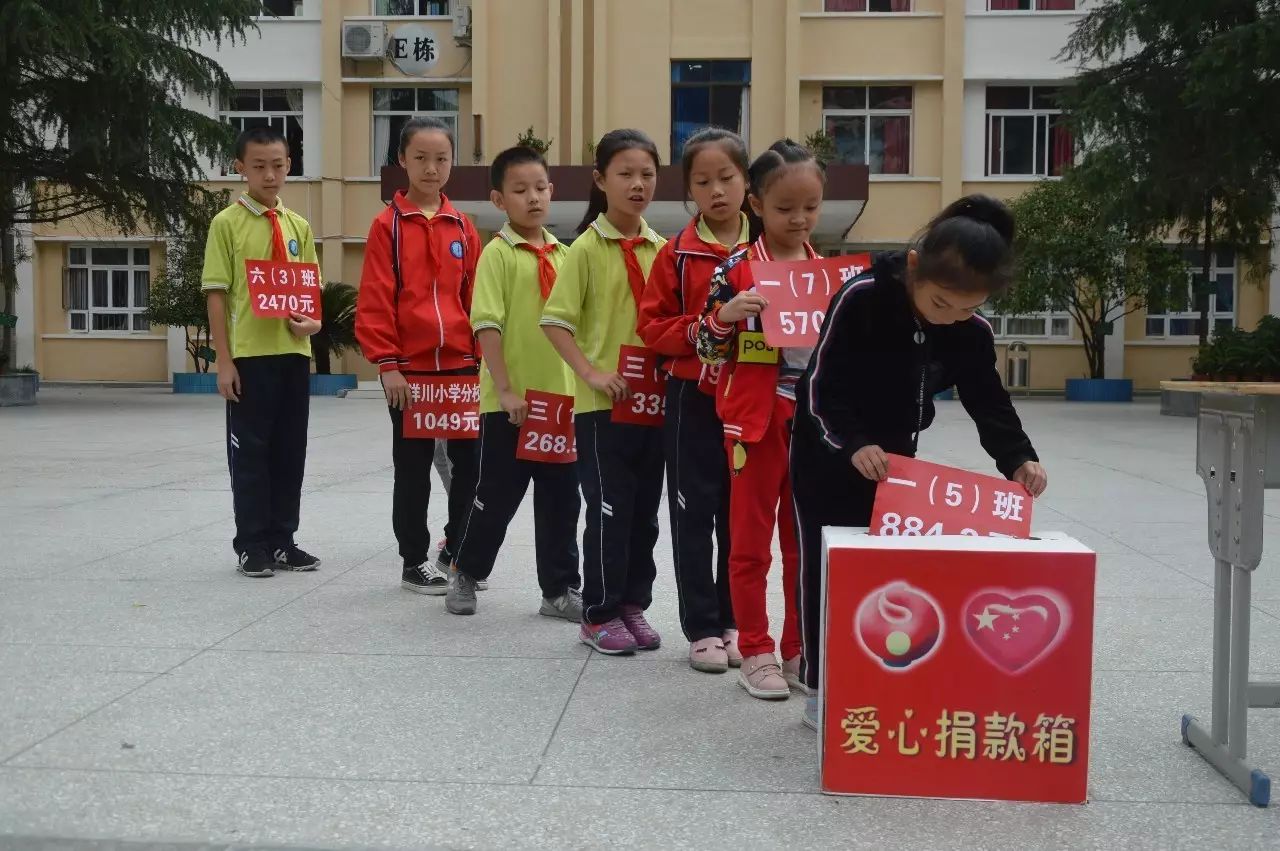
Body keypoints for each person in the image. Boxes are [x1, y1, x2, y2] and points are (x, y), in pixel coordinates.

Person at [790, 195, 1050, 729]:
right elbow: (820, 387)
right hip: (829, 453)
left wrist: (1019, 458)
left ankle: (880, 677)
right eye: (941, 305)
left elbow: (988, 400)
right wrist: (853, 442)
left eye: (967, 309)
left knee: (887, 578)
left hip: (897, 469)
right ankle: (822, 689)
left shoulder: (970, 332)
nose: (952, 318)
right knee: (826, 571)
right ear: (914, 269)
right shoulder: (861, 297)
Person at [696, 139, 820, 700]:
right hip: (755, 419)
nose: (798, 220)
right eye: (785, 208)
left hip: (817, 422)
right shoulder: (738, 269)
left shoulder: (829, 274)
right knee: (749, 542)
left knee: (805, 540)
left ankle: (798, 647)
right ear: (757, 205)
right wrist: (726, 316)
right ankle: (756, 649)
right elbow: (703, 346)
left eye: (810, 208)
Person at [542, 129, 666, 655]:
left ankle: (633, 603)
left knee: (644, 512)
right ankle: (598, 612)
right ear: (601, 180)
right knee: (609, 510)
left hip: (653, 403)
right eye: (626, 174)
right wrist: (590, 374)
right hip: (602, 408)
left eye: (647, 175)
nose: (638, 185)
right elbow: (554, 321)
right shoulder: (585, 250)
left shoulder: (663, 249)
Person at [445, 146, 583, 619]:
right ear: (499, 200)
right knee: (496, 496)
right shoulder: (497, 255)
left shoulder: (567, 256)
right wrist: (504, 389)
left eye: (541, 188)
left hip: (562, 403)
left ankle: (560, 590)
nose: (533, 198)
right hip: (511, 403)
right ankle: (465, 571)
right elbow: (487, 324)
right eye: (520, 190)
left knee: (563, 501)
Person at [637, 127, 750, 674]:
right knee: (693, 512)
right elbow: (651, 327)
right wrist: (709, 327)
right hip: (691, 397)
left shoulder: (772, 249)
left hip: (752, 399)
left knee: (741, 514)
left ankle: (736, 620)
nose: (717, 191)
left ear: (747, 181)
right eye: (703, 182)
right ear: (689, 191)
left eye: (727, 178)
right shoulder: (675, 254)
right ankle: (702, 626)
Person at [356, 117, 482, 596]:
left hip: (461, 369)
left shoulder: (463, 227)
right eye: (422, 158)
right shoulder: (386, 225)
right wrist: (387, 364)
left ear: (453, 162)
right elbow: (376, 298)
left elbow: (474, 299)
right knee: (412, 471)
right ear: (402, 161)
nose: (432, 168)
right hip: (409, 372)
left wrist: (481, 358)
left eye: (442, 158)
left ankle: (457, 550)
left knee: (469, 469)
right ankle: (413, 560)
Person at [202, 126, 323, 578]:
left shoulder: (298, 226)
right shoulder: (226, 224)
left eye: (278, 165)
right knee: (251, 453)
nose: (270, 175)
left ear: (290, 165)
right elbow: (216, 293)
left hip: (294, 354)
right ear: (240, 168)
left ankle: (282, 540)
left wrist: (313, 324)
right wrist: (224, 360)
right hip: (250, 358)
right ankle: (251, 543)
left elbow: (311, 294)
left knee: (291, 452)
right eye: (259, 166)